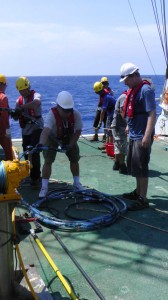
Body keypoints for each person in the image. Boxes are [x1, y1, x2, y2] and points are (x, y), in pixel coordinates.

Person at [120, 62, 156, 210]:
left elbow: (152, 114)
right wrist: (129, 125)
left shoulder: (145, 90)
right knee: (135, 165)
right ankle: (137, 191)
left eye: (126, 79)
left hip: (142, 135)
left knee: (142, 166)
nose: (126, 83)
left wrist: (147, 136)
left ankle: (143, 198)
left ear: (134, 76)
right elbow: (132, 111)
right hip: (135, 133)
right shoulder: (134, 89)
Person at [37, 91, 84, 198]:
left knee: (74, 158)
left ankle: (76, 183)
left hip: (69, 136)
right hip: (52, 137)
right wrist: (41, 143)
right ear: (58, 106)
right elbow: (46, 131)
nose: (67, 113)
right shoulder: (51, 115)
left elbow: (78, 131)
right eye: (65, 110)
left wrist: (71, 144)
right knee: (48, 161)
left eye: (69, 110)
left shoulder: (75, 114)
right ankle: (44, 187)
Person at [14, 76, 43, 186]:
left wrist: (22, 108)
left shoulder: (36, 96)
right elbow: (16, 118)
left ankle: (35, 177)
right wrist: (15, 113)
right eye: (20, 91)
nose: (22, 92)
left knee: (34, 150)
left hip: (37, 127)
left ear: (28, 87)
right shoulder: (18, 101)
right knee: (26, 152)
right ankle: (27, 174)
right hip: (26, 129)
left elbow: (36, 103)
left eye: (23, 90)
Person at [93, 82, 116, 152]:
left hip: (112, 114)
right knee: (107, 129)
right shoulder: (104, 92)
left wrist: (100, 123)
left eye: (97, 92)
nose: (97, 94)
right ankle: (106, 145)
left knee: (110, 131)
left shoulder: (106, 97)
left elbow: (103, 112)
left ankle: (109, 148)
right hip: (110, 113)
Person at [111, 91, 128, 174]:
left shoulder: (123, 96)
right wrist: (128, 123)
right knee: (121, 145)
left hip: (117, 125)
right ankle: (122, 166)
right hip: (119, 125)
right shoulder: (124, 97)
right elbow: (122, 111)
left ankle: (117, 164)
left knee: (118, 144)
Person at [0, 74, 13, 160]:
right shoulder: (3, 97)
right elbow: (4, 119)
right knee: (8, 150)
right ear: (2, 84)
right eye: (5, 85)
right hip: (3, 129)